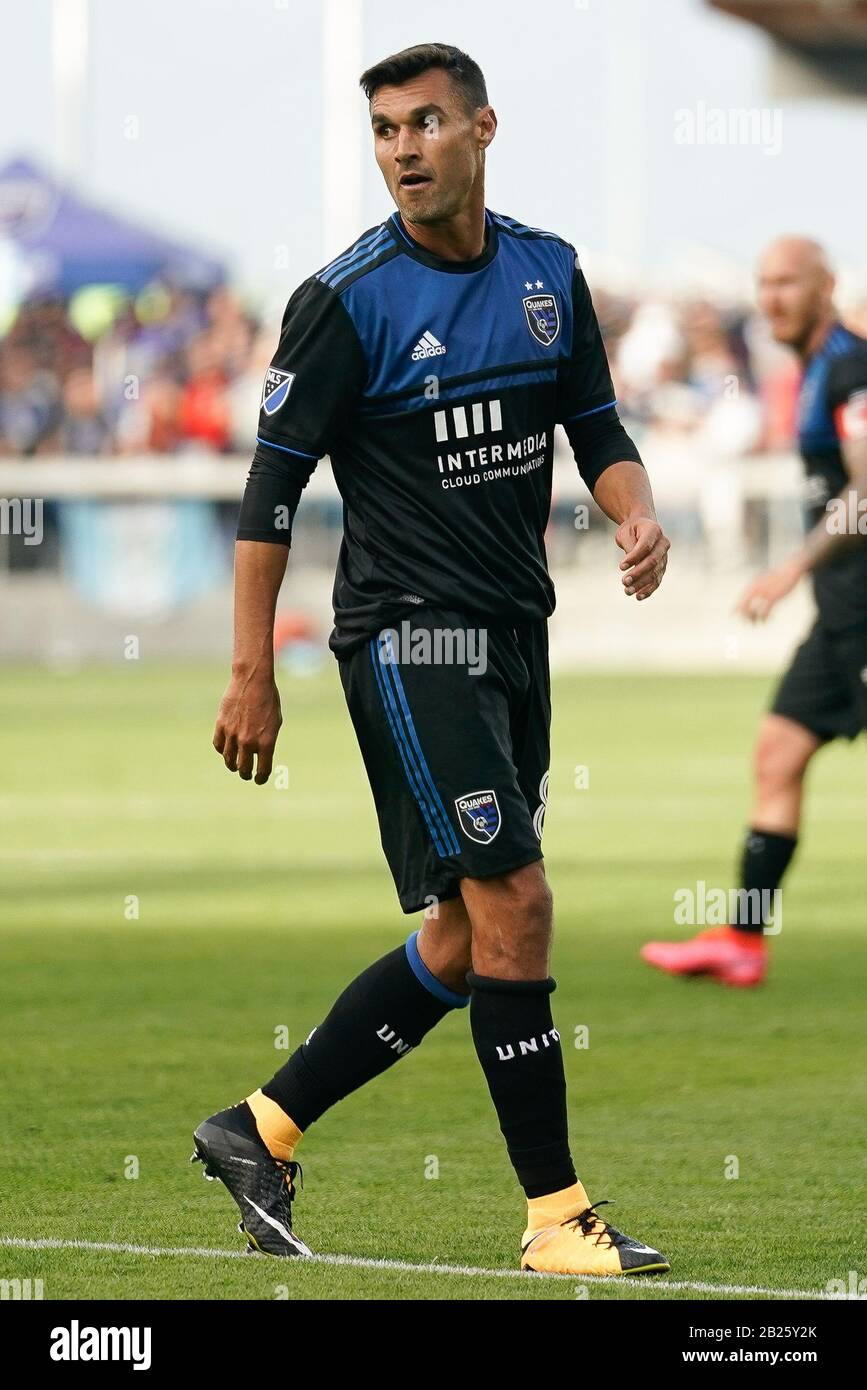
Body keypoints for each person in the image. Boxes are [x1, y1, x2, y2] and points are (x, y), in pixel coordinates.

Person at [193, 43, 670, 1276]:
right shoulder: (346, 300)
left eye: (424, 124)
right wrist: (252, 671)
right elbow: (269, 494)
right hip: (412, 639)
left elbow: (598, 425)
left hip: (516, 635)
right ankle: (557, 1219)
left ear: (482, 130)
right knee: (521, 903)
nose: (403, 150)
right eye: (386, 133)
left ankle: (260, 1126)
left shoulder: (547, 274)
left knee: (467, 939)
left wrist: (633, 506)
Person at [642, 237, 867, 988]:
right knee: (777, 754)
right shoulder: (812, 370)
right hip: (842, 621)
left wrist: (788, 567)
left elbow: (865, 493)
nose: (771, 297)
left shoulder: (849, 367)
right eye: (762, 283)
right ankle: (741, 937)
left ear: (824, 286)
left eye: (787, 283)